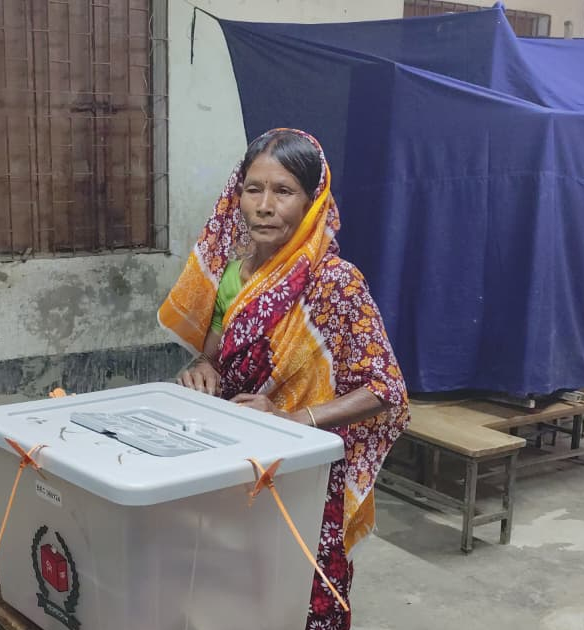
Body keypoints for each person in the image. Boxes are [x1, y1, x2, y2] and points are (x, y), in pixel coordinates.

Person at [159, 128, 409, 629]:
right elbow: (214, 356)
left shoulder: (336, 283)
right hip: (238, 456)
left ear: (313, 201)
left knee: (301, 587)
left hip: (304, 466)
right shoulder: (233, 276)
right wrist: (202, 367)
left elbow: (385, 388)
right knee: (233, 584)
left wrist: (292, 419)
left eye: (284, 191)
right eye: (253, 190)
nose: (265, 206)